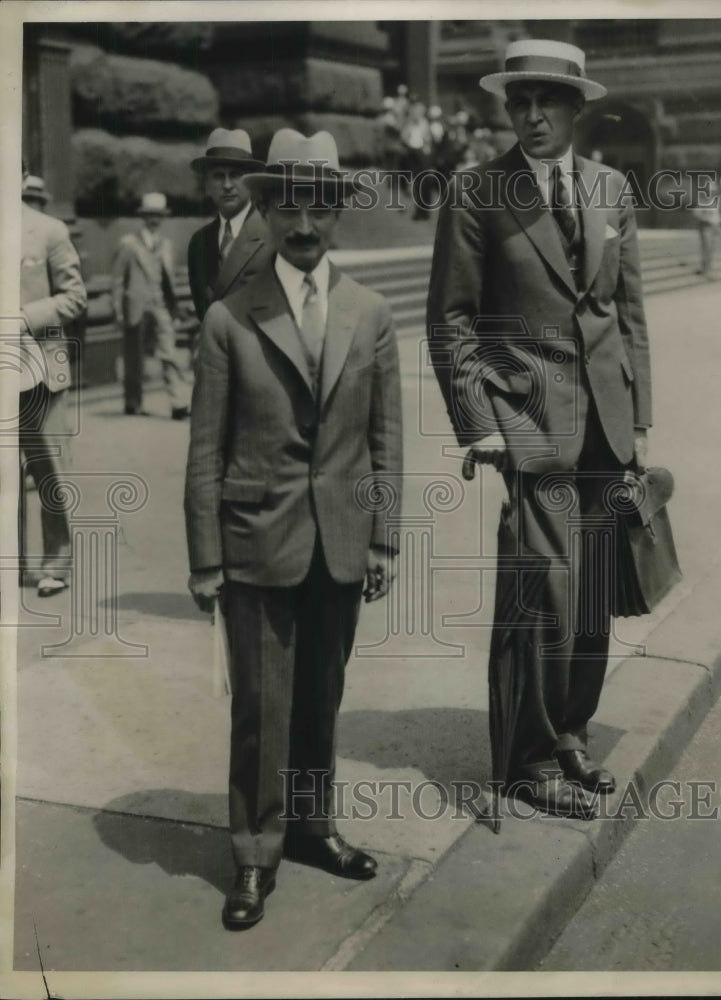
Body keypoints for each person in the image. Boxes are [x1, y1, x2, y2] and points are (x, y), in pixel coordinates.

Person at [426, 39, 652, 820]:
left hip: (606, 425)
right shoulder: (474, 193)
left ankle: (570, 735)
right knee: (541, 595)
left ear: (574, 109)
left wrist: (638, 421)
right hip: (526, 422)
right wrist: (478, 423)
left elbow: (627, 314)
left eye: (545, 102)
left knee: (592, 597)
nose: (528, 116)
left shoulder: (610, 188)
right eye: (516, 102)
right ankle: (525, 759)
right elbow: (450, 323)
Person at [184, 129, 403, 929]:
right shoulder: (227, 318)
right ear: (264, 210)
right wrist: (205, 558)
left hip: (341, 540)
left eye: (319, 206)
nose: (303, 225)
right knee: (260, 708)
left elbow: (387, 436)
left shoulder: (369, 313)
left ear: (339, 214)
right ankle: (252, 853)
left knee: (320, 699)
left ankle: (312, 827)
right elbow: (204, 447)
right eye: (288, 207)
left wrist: (382, 535)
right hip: (255, 541)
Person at [19, 166, 87, 597]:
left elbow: (75, 296)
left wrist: (25, 318)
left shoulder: (48, 230)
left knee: (51, 473)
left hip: (41, 367)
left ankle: (56, 565)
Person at [112, 192, 190, 419]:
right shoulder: (128, 244)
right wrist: (117, 310)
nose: (155, 220)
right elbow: (117, 280)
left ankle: (178, 403)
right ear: (143, 217)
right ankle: (133, 403)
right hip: (136, 306)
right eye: (151, 215)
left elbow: (168, 279)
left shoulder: (166, 245)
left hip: (161, 305)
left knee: (169, 352)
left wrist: (173, 306)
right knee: (134, 357)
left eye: (159, 215)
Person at [187, 128, 267, 324]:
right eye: (218, 176)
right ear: (206, 184)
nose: (227, 185)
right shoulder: (199, 243)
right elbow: (203, 315)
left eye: (235, 175)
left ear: (251, 181)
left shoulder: (270, 235)